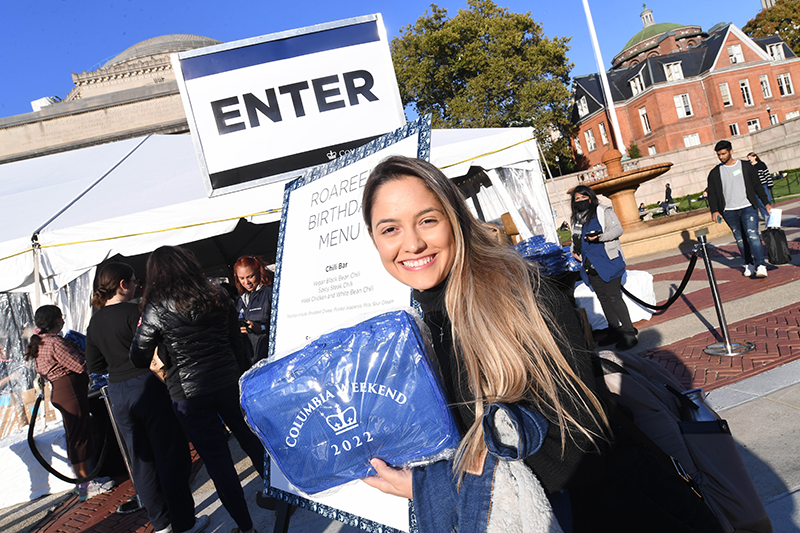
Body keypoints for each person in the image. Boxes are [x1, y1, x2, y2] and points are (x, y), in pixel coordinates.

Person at [358, 157, 721, 533]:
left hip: (619, 513)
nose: (413, 243)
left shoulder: (522, 296)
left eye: (427, 220)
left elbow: (577, 453)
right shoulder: (414, 330)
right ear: (374, 239)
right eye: (390, 229)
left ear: (454, 218)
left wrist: (432, 487)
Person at [130, 246, 266, 533]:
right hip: (227, 381)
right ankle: (280, 494)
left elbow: (138, 356)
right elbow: (235, 342)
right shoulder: (216, 294)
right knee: (251, 440)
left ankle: (246, 527)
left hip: (189, 393)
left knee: (218, 462)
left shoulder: (157, 307)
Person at [86, 263, 207, 533]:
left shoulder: (94, 321)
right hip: (147, 385)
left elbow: (94, 364)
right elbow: (160, 344)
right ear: (122, 284)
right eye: (133, 280)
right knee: (170, 456)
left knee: (140, 461)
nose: (137, 285)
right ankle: (185, 523)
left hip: (118, 393)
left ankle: (161, 523)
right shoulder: (135, 312)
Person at [24, 305, 114, 501]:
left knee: (76, 436)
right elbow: (80, 365)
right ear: (56, 320)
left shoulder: (42, 342)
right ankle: (86, 484)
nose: (63, 319)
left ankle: (84, 482)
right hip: (70, 392)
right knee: (79, 437)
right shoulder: (56, 343)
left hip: (63, 392)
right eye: (61, 317)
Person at [570, 185, 638, 350]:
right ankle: (614, 330)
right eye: (577, 199)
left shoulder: (603, 211)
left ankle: (629, 332)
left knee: (614, 297)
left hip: (608, 261)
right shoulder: (577, 219)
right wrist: (574, 251)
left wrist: (600, 237)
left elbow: (618, 230)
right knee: (604, 299)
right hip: (590, 265)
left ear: (590, 197)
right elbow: (575, 240)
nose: (580, 201)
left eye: (583, 197)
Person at [708, 141, 771, 278]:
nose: (721, 157)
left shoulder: (746, 166)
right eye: (718, 155)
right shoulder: (715, 173)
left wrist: (766, 203)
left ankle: (760, 264)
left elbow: (757, 186)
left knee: (752, 235)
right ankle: (749, 263)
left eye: (723, 154)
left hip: (748, 207)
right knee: (740, 239)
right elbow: (712, 194)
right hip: (729, 211)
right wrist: (714, 210)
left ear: (731, 151)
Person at [232, 256, 274, 366]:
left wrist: (261, 328)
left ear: (259, 272)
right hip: (249, 361)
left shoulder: (270, 293)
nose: (246, 282)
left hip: (269, 359)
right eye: (242, 278)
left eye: (250, 277)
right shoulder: (240, 300)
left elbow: (282, 324)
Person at [747, 152, 774, 221]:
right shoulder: (749, 166)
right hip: (755, 186)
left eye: (750, 157)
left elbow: (766, 174)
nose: (749, 159)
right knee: (760, 201)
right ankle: (765, 216)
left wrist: (770, 183)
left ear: (755, 157)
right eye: (748, 157)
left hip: (763, 184)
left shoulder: (761, 164)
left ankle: (770, 213)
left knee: (768, 199)